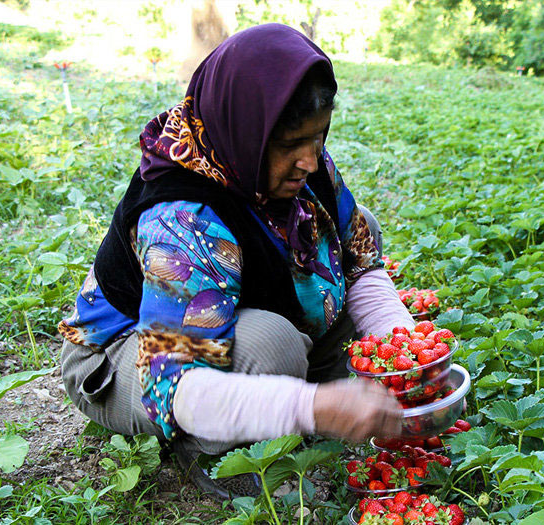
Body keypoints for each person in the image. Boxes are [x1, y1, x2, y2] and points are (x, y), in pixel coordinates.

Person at [58, 23, 414, 499]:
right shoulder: (183, 219)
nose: (309, 160)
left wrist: (407, 348)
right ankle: (215, 451)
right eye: (289, 144)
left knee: (350, 225)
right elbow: (177, 388)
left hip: (228, 318)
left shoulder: (306, 165)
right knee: (271, 345)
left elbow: (356, 261)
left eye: (319, 137)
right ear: (246, 131)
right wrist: (315, 406)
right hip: (128, 359)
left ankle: (294, 397)